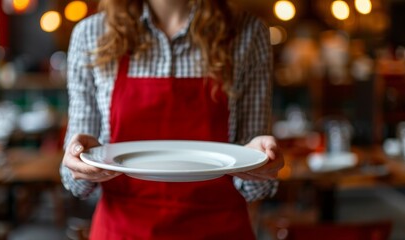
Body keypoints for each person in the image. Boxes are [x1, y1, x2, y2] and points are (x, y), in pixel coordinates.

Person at [60, 0, 284, 239]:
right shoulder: (91, 34)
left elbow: (255, 188)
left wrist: (261, 164)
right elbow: (74, 181)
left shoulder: (248, 34)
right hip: (122, 230)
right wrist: (79, 162)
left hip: (218, 228)